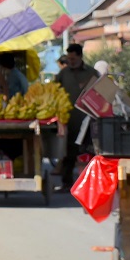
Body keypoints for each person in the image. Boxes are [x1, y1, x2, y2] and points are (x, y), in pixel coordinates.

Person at [55, 43, 99, 191]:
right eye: (69, 58)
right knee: (69, 152)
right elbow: (55, 91)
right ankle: (66, 182)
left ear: (80, 56)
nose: (70, 61)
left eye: (73, 58)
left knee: (89, 152)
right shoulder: (63, 73)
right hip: (70, 119)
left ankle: (89, 185)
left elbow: (100, 93)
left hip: (88, 119)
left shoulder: (92, 73)